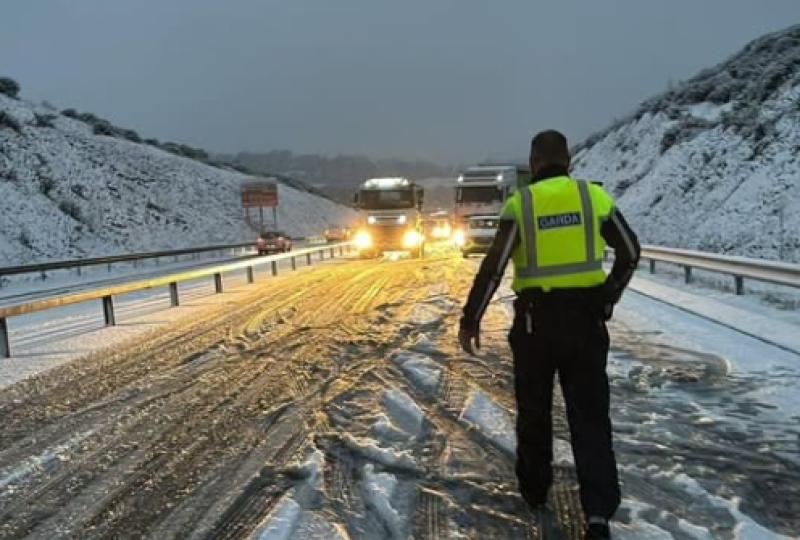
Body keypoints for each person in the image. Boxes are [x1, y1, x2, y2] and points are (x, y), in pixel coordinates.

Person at [458, 130, 640, 540]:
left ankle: (536, 492)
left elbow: (494, 266)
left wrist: (471, 318)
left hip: (535, 326)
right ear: (569, 160)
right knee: (591, 418)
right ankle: (597, 516)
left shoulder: (520, 204)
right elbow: (630, 251)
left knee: (535, 413)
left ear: (533, 162)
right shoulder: (592, 197)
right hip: (585, 325)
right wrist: (607, 297)